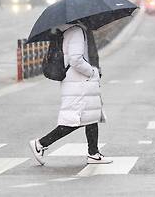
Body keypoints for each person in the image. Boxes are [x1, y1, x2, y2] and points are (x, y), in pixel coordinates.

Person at [29, 22, 111, 165]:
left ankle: (93, 153)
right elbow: (75, 59)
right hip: (79, 82)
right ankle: (40, 144)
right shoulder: (76, 31)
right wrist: (91, 72)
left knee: (90, 116)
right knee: (73, 121)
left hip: (78, 82)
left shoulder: (71, 30)